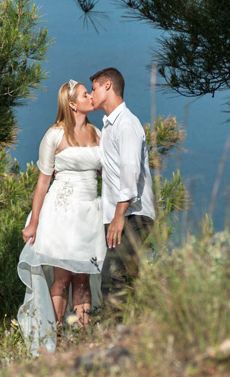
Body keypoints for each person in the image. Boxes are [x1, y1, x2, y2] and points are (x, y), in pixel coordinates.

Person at [17, 80, 107, 356]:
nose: (91, 97)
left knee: (83, 276)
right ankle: (51, 340)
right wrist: (33, 223)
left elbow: (107, 175)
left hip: (90, 212)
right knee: (62, 278)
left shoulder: (98, 133)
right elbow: (43, 182)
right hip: (62, 213)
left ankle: (82, 341)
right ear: (72, 104)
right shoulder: (54, 135)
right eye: (85, 94)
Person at [89, 68, 155, 303]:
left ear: (107, 85)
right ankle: (133, 332)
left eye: (94, 88)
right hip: (121, 214)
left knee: (112, 276)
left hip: (132, 214)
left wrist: (118, 216)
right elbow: (111, 167)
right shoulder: (108, 126)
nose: (91, 94)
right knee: (127, 277)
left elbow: (130, 171)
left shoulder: (126, 124)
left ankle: (115, 333)